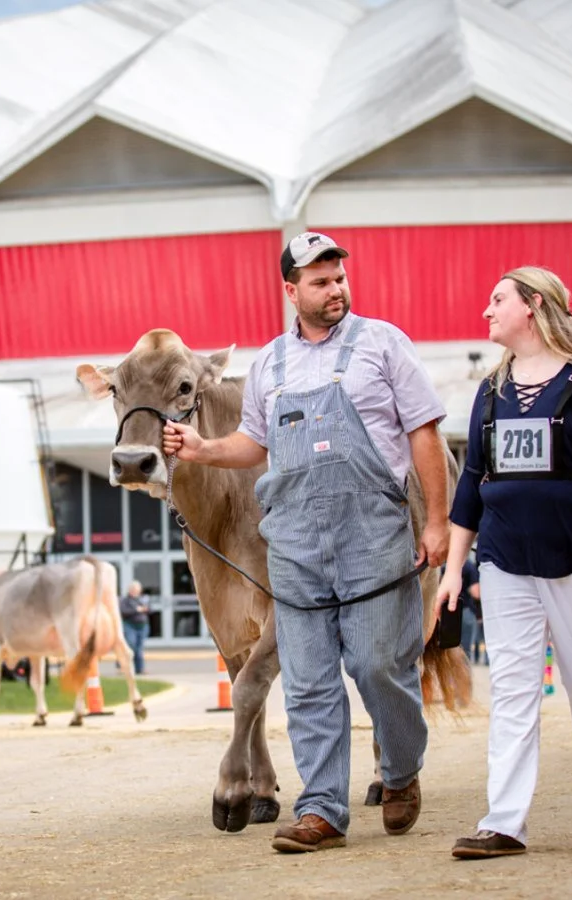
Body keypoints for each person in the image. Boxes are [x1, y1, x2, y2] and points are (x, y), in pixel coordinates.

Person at [163, 231, 449, 853]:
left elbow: (425, 435)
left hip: (373, 532)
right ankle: (321, 808)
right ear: (291, 290)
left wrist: (436, 524)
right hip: (293, 538)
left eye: (339, 277)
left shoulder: (384, 344)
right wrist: (204, 449)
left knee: (379, 664)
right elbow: (255, 446)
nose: (335, 289)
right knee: (309, 681)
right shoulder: (271, 364)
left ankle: (400, 771)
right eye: (320, 281)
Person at [438, 266, 572, 860]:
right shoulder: (489, 391)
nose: (487, 311)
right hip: (505, 558)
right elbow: (473, 484)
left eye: (497, 299)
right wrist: (455, 569)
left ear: (532, 305)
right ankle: (503, 822)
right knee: (512, 688)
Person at [118, 580, 150, 675]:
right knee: (131, 645)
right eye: (134, 589)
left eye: (138, 590)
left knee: (139, 648)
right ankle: (123, 666)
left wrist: (145, 609)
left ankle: (140, 669)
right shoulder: (125, 600)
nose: (136, 591)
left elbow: (150, 609)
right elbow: (123, 611)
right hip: (130, 626)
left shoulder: (143, 599)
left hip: (143, 626)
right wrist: (136, 610)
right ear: (130, 590)